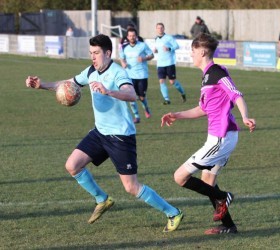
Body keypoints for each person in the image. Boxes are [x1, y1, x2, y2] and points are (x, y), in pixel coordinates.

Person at [25, 34, 183, 232]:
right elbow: (68, 84)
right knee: (72, 165)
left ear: (108, 53)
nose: (93, 57)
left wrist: (108, 91)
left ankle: (173, 212)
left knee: (131, 187)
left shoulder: (118, 73)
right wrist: (42, 85)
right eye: (91, 53)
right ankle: (102, 199)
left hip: (120, 137)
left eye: (97, 53)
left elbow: (132, 94)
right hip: (100, 133)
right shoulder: (91, 71)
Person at [161, 33, 256, 234]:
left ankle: (223, 196)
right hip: (220, 137)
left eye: (193, 51)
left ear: (203, 51)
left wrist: (246, 116)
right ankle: (229, 226)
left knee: (180, 177)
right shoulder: (206, 77)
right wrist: (176, 115)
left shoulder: (216, 72)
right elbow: (202, 109)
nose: (191, 54)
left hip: (222, 137)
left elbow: (236, 94)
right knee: (207, 182)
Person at [120, 28, 154, 124]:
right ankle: (137, 117)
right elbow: (122, 58)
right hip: (129, 75)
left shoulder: (142, 45)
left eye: (133, 36)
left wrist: (144, 58)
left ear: (136, 36)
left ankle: (146, 108)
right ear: (127, 37)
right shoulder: (124, 47)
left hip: (142, 75)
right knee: (131, 97)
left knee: (142, 97)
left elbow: (151, 55)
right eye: (130, 36)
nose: (132, 37)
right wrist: (123, 63)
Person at [154, 22, 186, 105]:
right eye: (158, 28)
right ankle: (167, 100)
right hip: (160, 64)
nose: (160, 29)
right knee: (161, 81)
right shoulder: (156, 39)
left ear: (164, 29)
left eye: (161, 28)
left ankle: (182, 93)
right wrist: (156, 50)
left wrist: (169, 48)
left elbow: (177, 46)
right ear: (156, 29)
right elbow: (159, 49)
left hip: (169, 63)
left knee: (172, 81)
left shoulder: (169, 37)